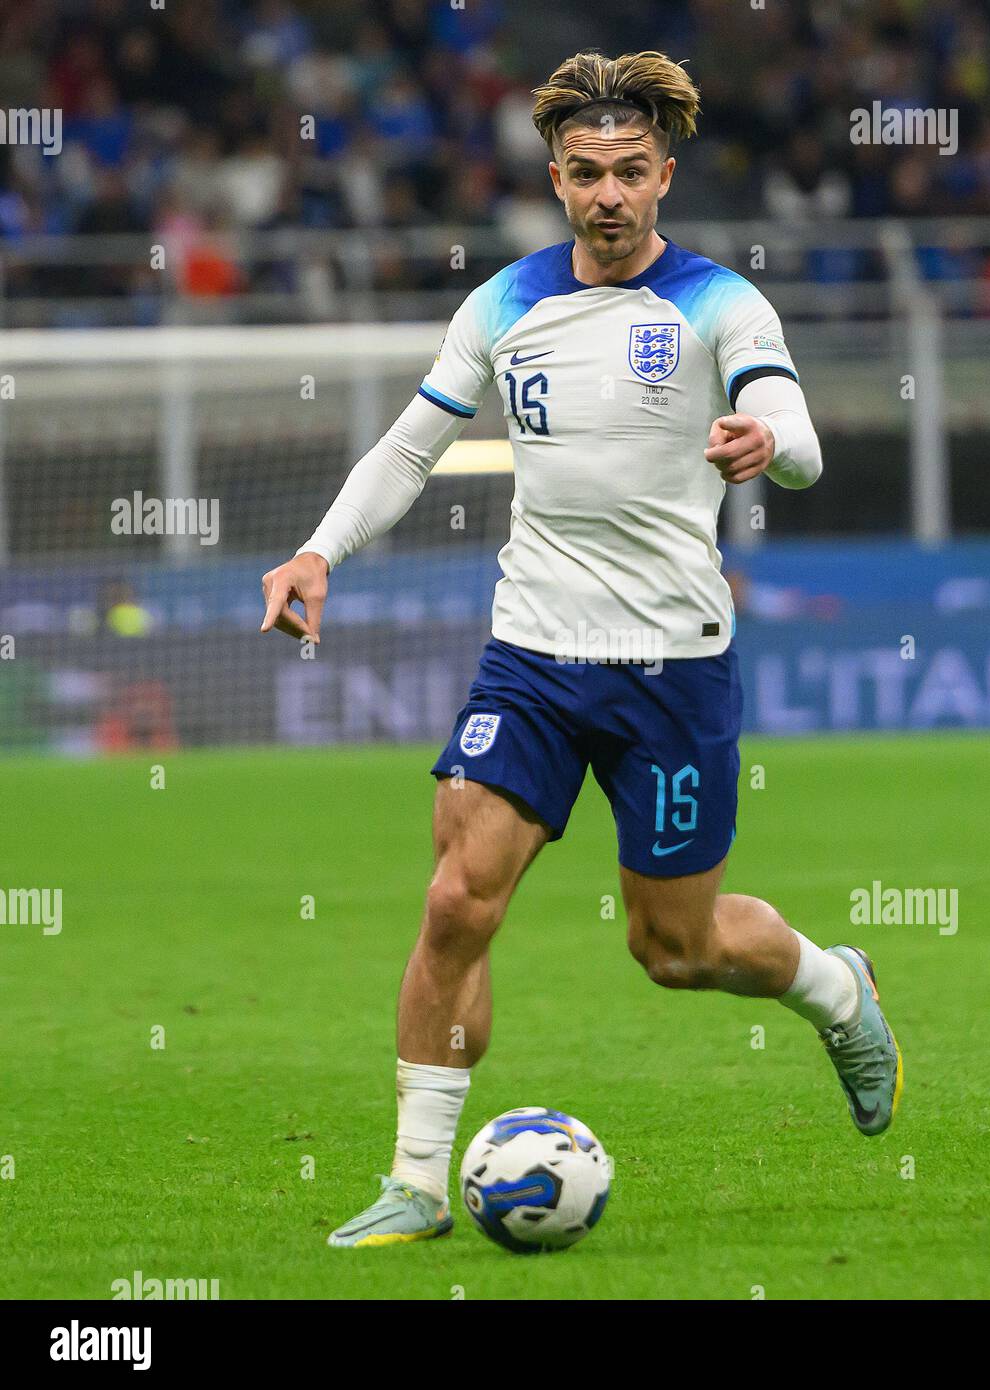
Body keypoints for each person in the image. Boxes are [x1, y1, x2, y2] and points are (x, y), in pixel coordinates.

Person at [260, 50, 902, 1249]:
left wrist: (769, 439)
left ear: (664, 176)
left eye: (629, 173)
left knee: (676, 948)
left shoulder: (721, 304)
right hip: (534, 656)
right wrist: (318, 551)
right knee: (457, 899)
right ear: (557, 179)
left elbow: (803, 437)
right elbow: (408, 450)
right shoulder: (503, 302)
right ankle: (414, 1180)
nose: (608, 193)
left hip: (672, 662)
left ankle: (834, 986)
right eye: (585, 173)